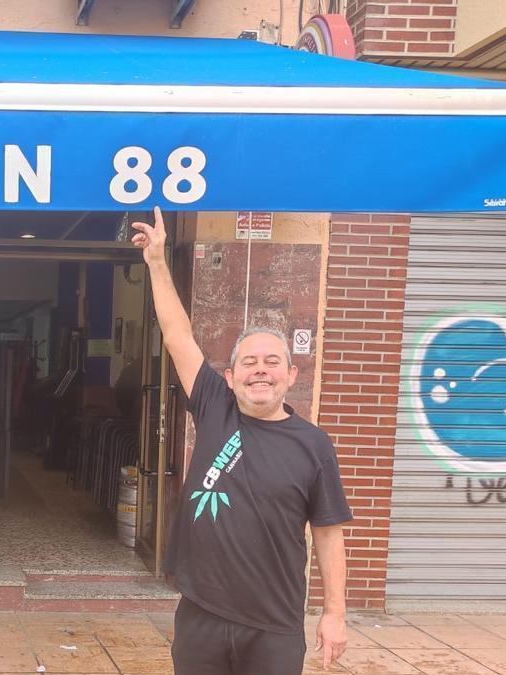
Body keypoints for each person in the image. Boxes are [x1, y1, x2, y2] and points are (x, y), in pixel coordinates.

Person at [131, 207, 351, 675]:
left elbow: (329, 534)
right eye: (249, 362)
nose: (261, 370)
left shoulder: (313, 446)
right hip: (201, 615)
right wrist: (156, 261)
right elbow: (177, 335)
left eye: (272, 361)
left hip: (274, 625)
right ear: (229, 377)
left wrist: (334, 614)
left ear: (291, 376)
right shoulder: (215, 406)